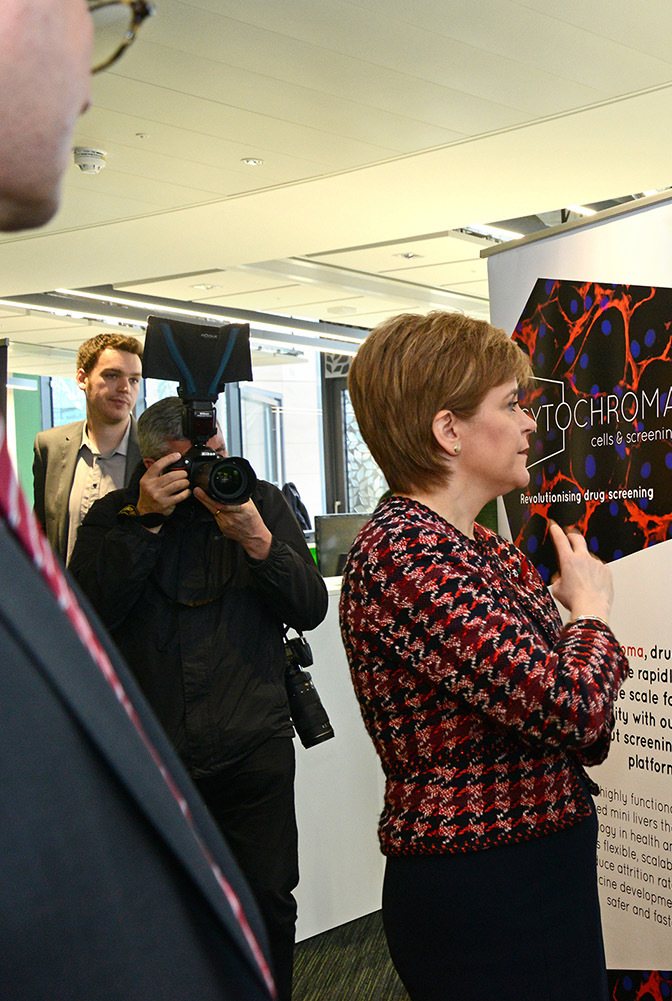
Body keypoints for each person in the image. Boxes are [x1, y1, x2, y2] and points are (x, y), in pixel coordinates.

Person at [0, 1, 276, 996]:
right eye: (97, 12)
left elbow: (298, 598)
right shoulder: (58, 462)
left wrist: (245, 525)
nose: (94, 65)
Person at [338, 311, 631, 1001]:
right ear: (448, 430)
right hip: (483, 886)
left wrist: (576, 646)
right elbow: (580, 712)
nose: (531, 423)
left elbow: (569, 706)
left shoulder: (483, 547)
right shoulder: (405, 553)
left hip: (534, 864)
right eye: (511, 404)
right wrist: (590, 613)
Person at [69, 396, 328, 1001]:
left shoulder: (255, 502)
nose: (208, 475)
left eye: (213, 458)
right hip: (156, 754)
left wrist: (259, 542)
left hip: (252, 745)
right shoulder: (115, 517)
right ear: (153, 464)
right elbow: (86, 614)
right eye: (187, 466)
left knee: (267, 899)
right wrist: (146, 524)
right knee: (163, 905)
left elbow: (310, 607)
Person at [32, 330, 143, 561]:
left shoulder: (155, 450)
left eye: (134, 379)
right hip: (66, 592)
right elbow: (42, 530)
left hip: (131, 594)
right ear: (83, 379)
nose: (125, 388)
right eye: (112, 376)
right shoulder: (49, 446)